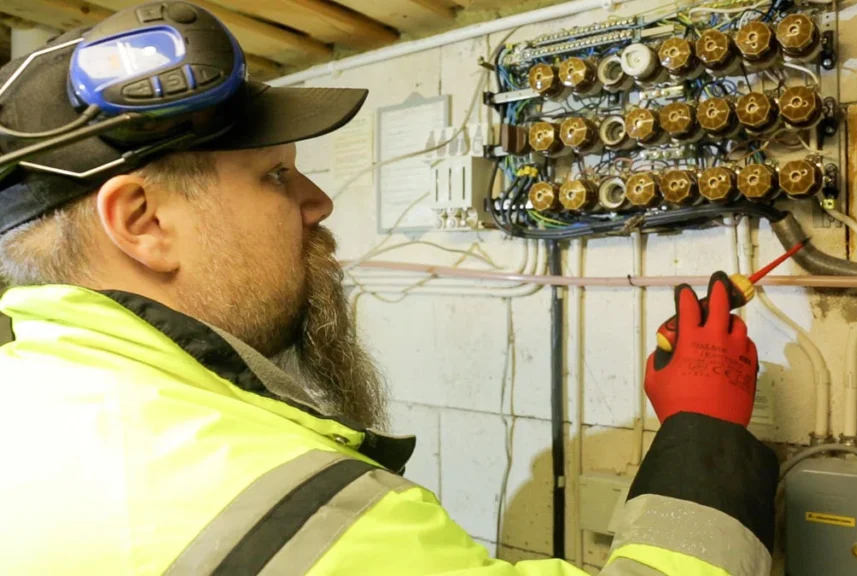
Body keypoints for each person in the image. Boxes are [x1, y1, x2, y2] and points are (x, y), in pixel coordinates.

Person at [0, 4, 779, 575]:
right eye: (275, 175)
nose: (318, 204)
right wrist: (704, 431)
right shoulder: (279, 510)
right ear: (142, 220)